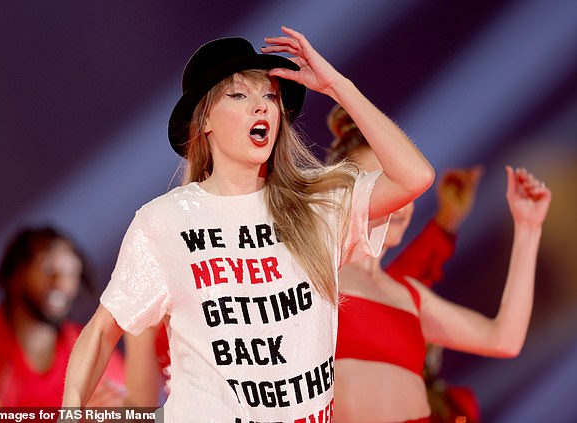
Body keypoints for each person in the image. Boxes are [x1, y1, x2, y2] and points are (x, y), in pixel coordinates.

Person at [61, 26, 434, 422]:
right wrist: (69, 411)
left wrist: (339, 86)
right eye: (239, 95)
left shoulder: (317, 205)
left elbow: (415, 177)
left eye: (269, 96)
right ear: (204, 121)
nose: (262, 107)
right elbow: (103, 331)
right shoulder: (164, 222)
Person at [326, 116, 551, 421]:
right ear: (341, 191)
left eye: (405, 188)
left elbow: (504, 340)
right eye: (382, 186)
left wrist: (528, 226)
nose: (400, 203)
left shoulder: (409, 296)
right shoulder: (316, 276)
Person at [0, 226, 125, 407]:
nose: (60, 282)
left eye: (71, 272)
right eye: (47, 268)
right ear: (16, 273)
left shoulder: (96, 354)